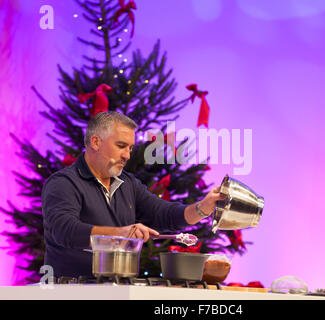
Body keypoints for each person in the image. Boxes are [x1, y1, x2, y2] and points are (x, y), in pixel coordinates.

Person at [42, 111, 225, 278]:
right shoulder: (63, 183)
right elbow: (64, 229)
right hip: (68, 292)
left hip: (118, 290)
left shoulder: (128, 184)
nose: (127, 156)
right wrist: (120, 234)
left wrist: (202, 208)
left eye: (129, 148)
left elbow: (165, 214)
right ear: (96, 142)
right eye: (121, 146)